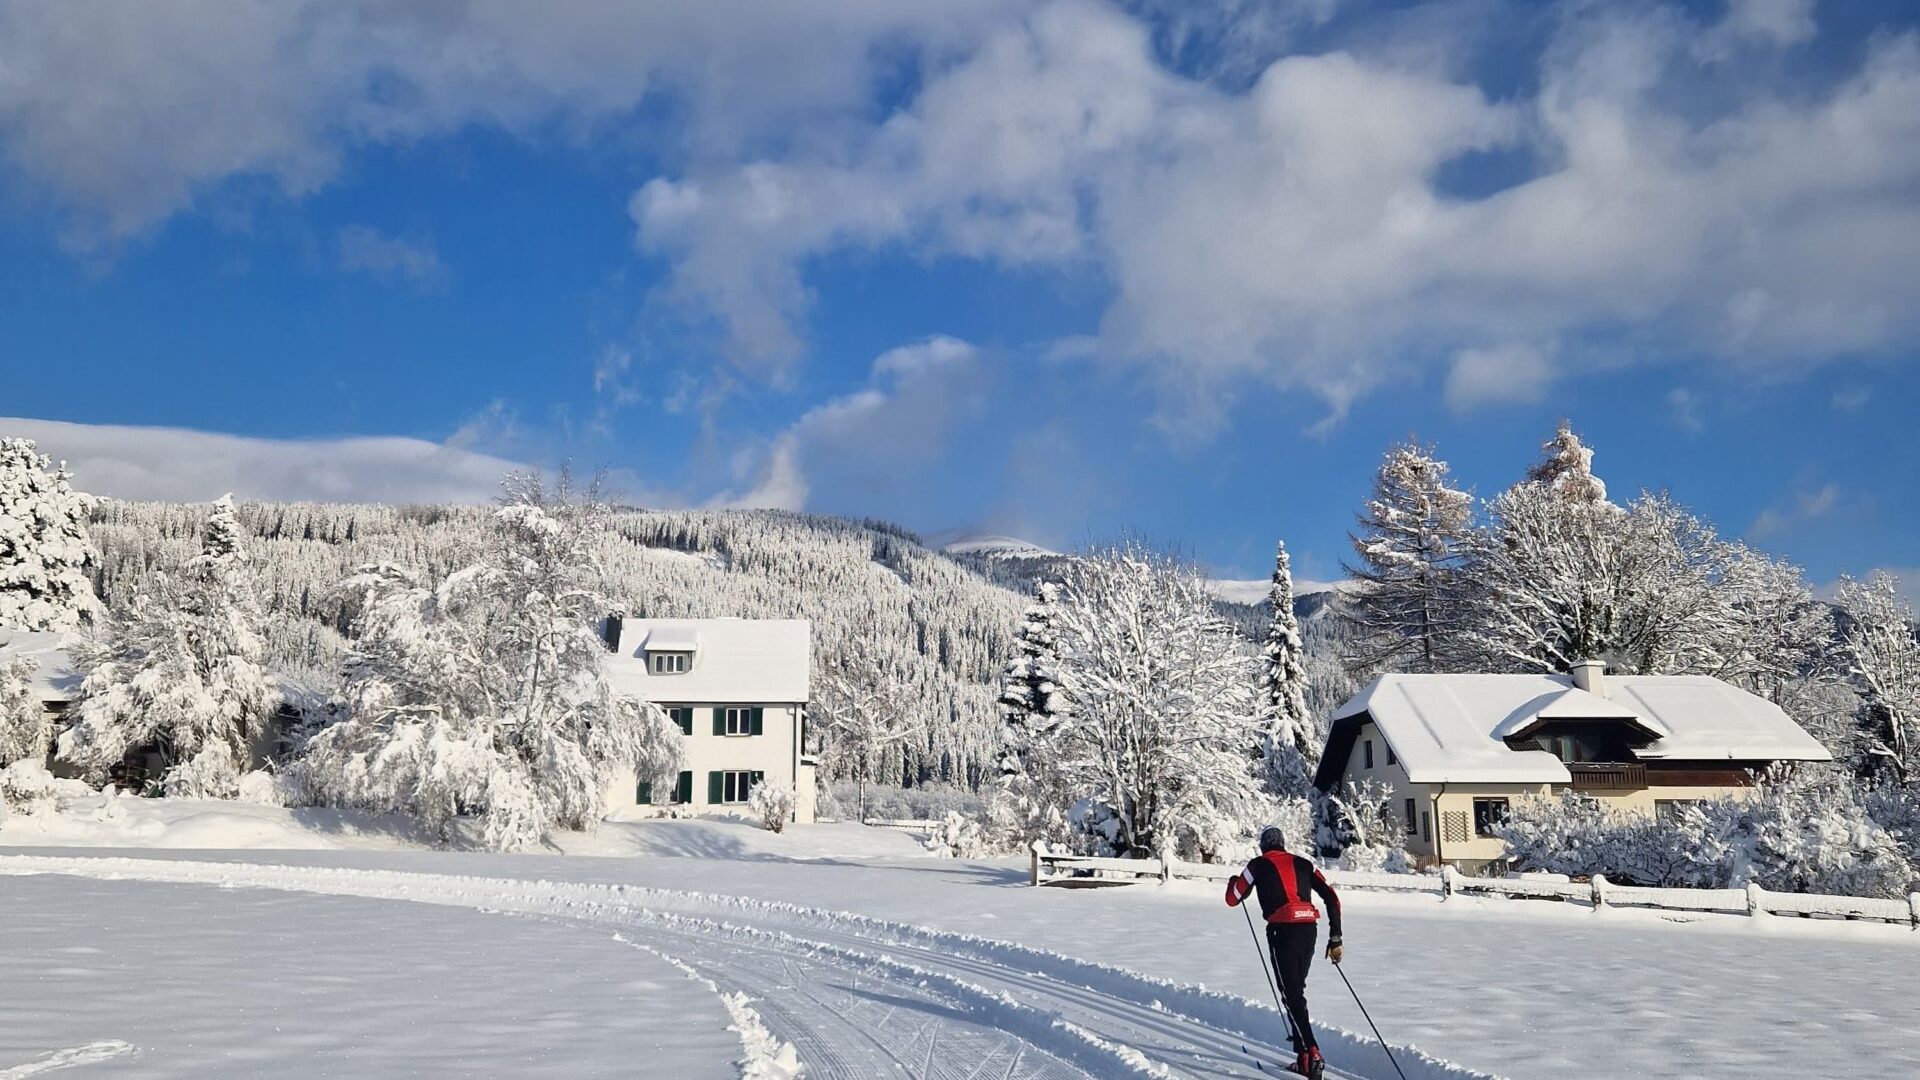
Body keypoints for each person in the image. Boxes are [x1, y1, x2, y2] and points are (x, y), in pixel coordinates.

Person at [1225, 825, 1342, 1079]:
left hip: (1282, 931)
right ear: (1283, 844)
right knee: (1295, 992)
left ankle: (1312, 1052)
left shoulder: (1257, 864)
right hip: (1309, 928)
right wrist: (1335, 937)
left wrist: (1234, 881)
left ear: (1263, 846)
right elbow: (1332, 897)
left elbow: (1233, 898)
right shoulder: (1305, 863)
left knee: (1291, 994)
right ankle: (1303, 1056)